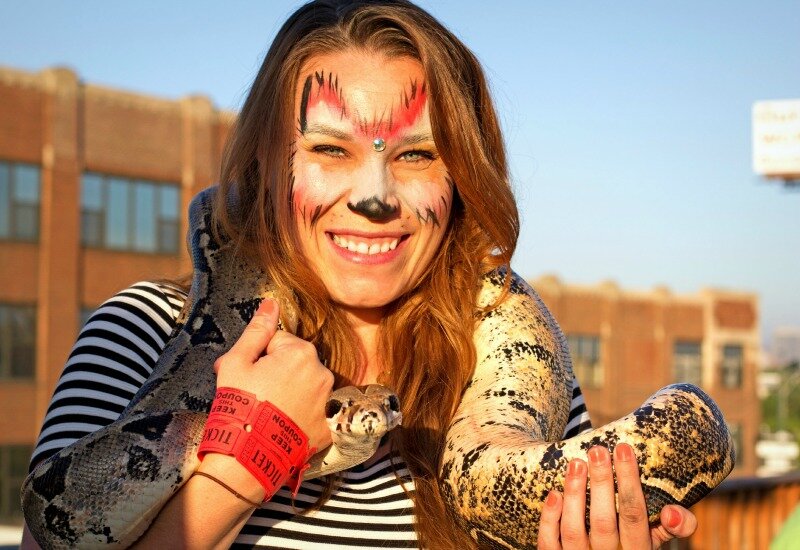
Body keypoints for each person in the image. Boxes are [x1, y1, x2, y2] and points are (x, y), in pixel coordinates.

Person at [21, 1, 699, 548]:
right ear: (268, 167)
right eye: (329, 149)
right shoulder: (141, 332)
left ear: (461, 180)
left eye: (416, 155)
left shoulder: (518, 365)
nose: (375, 199)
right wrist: (245, 456)